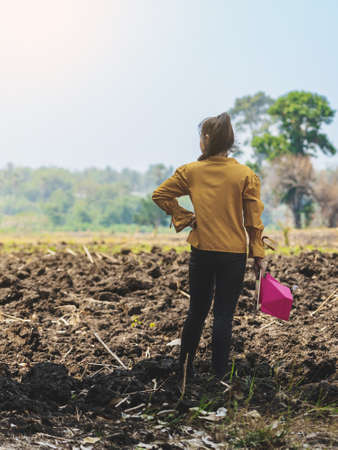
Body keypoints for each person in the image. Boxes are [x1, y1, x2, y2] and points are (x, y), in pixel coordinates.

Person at [152, 112, 265, 380]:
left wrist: (186, 218)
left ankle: (184, 370)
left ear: (206, 140)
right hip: (233, 254)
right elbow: (253, 220)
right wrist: (258, 253)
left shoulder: (190, 172)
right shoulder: (244, 175)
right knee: (224, 316)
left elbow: (160, 194)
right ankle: (219, 377)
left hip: (202, 251)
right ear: (229, 141)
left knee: (197, 311)